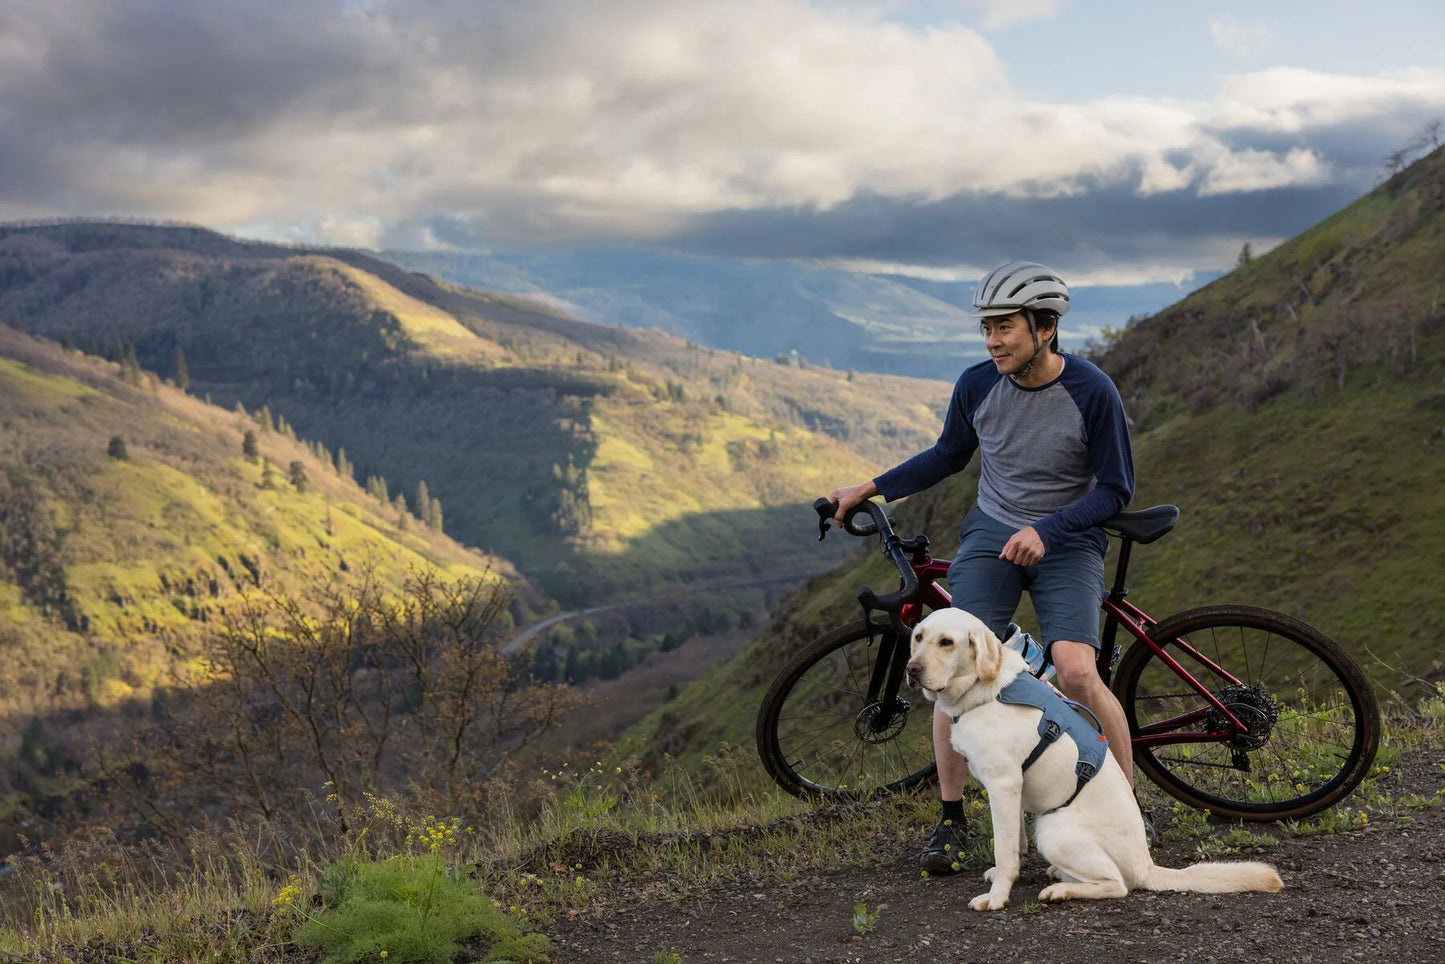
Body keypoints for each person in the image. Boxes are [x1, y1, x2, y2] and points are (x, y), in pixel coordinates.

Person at [827, 260, 1136, 876]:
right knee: (949, 665)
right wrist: (870, 487)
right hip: (994, 530)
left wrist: (1046, 530)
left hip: (1068, 536)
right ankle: (950, 820)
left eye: (1006, 328)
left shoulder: (1092, 391)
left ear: (1045, 328)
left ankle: (1123, 807)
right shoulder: (977, 385)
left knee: (1076, 673)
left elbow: (1116, 491)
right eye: (987, 328)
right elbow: (948, 456)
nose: (993, 340)